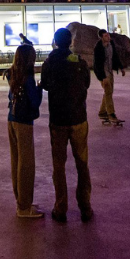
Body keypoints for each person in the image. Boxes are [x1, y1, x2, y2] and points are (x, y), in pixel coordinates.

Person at [40, 28, 93, 223]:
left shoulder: (50, 63)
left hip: (58, 120)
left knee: (59, 165)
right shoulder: (79, 62)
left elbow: (45, 85)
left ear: (55, 42)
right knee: (82, 163)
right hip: (79, 118)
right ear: (70, 42)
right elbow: (86, 84)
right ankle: (85, 206)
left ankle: (60, 207)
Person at [4, 44, 44, 218]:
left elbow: (10, 96)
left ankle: (21, 200)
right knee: (26, 164)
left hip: (11, 120)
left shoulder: (12, 73)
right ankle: (24, 207)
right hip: (24, 122)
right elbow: (34, 102)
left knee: (16, 161)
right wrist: (40, 88)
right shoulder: (27, 77)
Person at [93, 29, 126, 125]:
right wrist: (103, 77)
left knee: (109, 91)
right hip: (103, 72)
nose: (108, 37)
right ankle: (111, 114)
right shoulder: (98, 48)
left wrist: (121, 67)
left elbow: (115, 56)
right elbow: (97, 64)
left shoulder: (111, 44)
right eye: (106, 36)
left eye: (108, 35)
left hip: (110, 71)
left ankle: (102, 112)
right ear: (101, 37)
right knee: (108, 91)